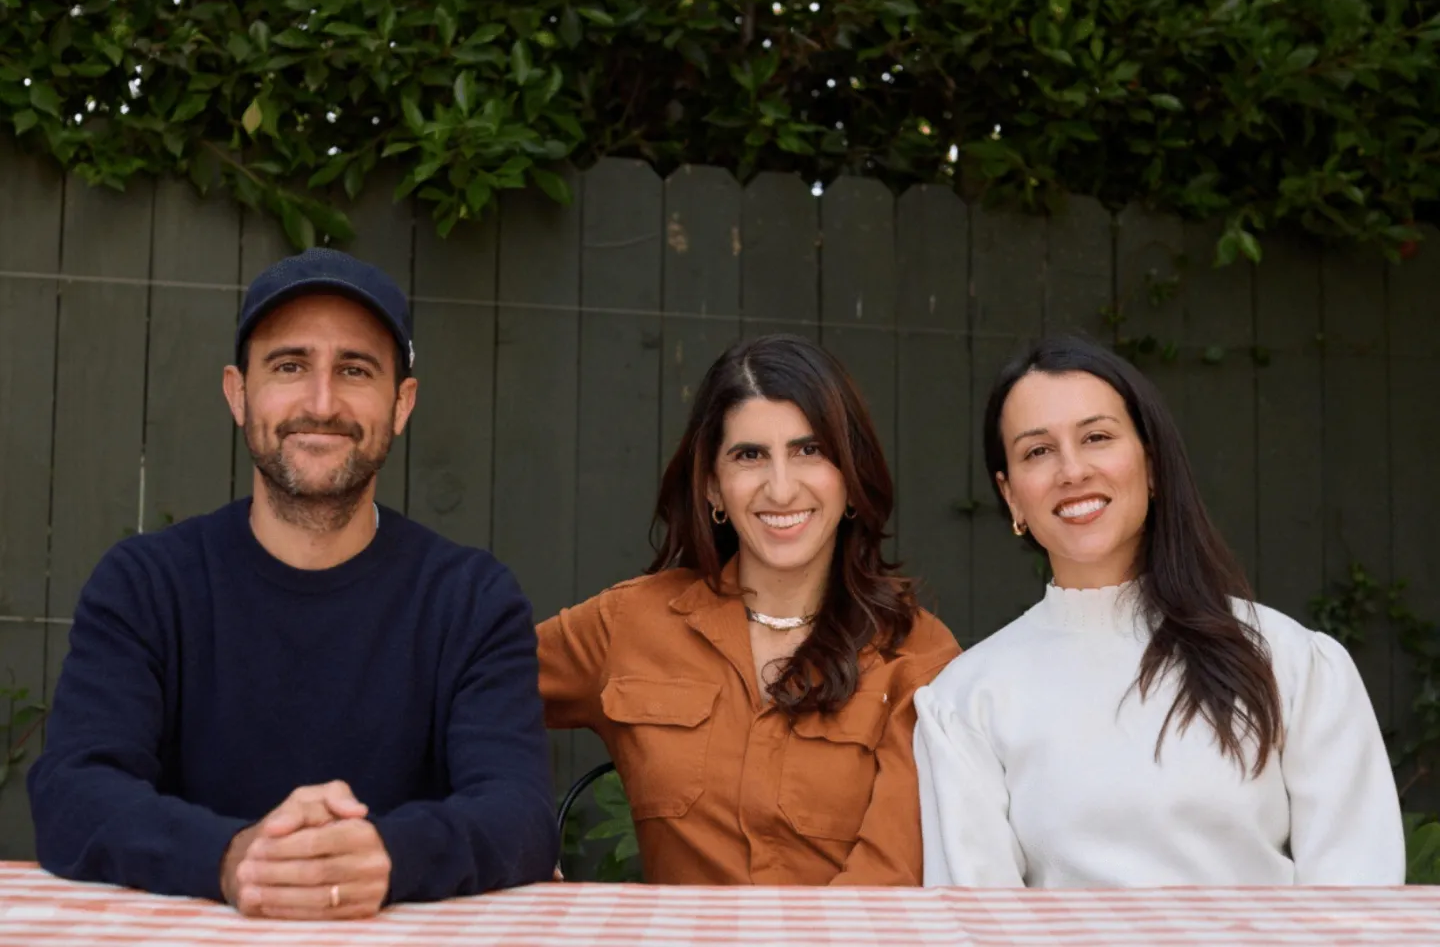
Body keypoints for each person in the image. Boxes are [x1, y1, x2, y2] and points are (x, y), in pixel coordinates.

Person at [28, 248, 558, 918]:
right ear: (237, 392)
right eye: (289, 366)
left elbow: (519, 812)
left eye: (355, 370)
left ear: (402, 404)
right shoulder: (145, 585)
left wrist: (387, 856)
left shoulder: (471, 600)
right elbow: (75, 791)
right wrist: (230, 855)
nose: (321, 402)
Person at [915, 334, 1405, 888]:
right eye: (1037, 451)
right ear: (1011, 496)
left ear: (1150, 464)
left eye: (1097, 437)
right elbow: (979, 924)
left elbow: (1359, 899)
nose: (1072, 470)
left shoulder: (1289, 662)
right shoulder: (968, 699)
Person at [538, 333, 959, 885]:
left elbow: (885, 882)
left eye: (809, 450)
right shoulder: (628, 624)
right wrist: (508, 842)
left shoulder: (919, 656)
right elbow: (454, 696)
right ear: (714, 487)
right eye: (750, 456)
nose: (781, 489)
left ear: (851, 480)